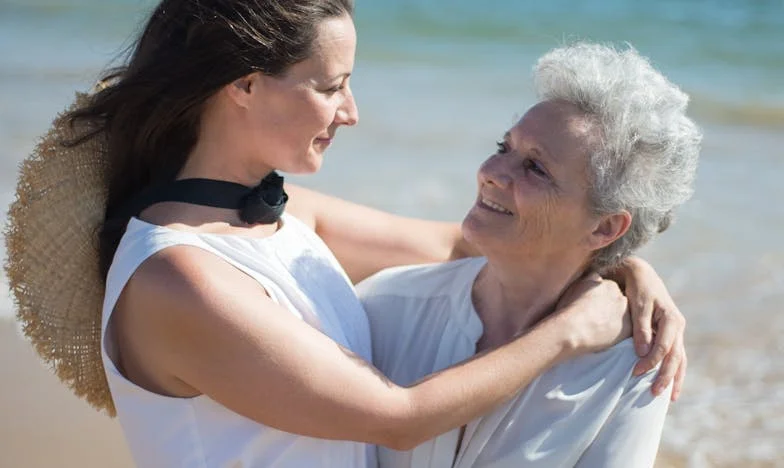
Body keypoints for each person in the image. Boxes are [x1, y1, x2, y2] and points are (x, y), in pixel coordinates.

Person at [4, 1, 686, 467]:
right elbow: (400, 417)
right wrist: (569, 332)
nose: (351, 112)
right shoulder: (177, 278)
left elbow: (474, 241)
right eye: (331, 85)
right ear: (244, 86)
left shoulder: (284, 215)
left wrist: (625, 268)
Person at [359, 42, 701, 468]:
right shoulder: (386, 306)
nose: (491, 174)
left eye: (535, 168)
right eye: (504, 148)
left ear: (604, 228)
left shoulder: (632, 367)